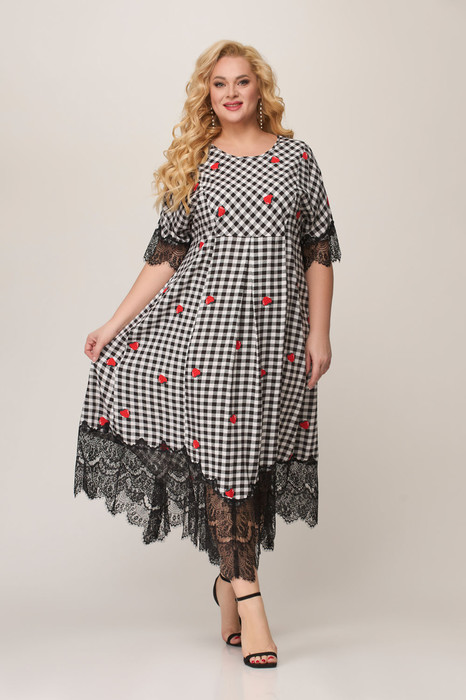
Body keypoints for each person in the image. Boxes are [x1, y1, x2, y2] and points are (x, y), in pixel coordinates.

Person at [74, 39, 341, 669]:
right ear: (207, 94)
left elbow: (319, 249)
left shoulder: (297, 157)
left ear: (259, 87)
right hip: (209, 335)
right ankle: (250, 598)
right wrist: (112, 325)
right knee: (226, 460)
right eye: (219, 84)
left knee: (249, 460)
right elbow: (166, 256)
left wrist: (320, 333)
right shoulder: (196, 162)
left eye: (241, 81)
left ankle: (225, 583)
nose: (230, 93)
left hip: (276, 337)